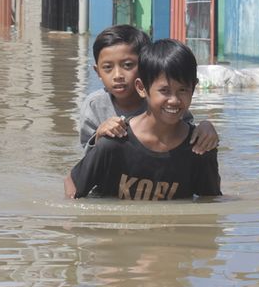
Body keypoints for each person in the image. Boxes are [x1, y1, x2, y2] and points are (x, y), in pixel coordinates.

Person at [65, 38, 222, 200]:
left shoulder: (200, 148)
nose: (174, 100)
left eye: (183, 90)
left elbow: (210, 201)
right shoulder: (114, 143)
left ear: (194, 88)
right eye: (164, 90)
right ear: (141, 88)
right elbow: (72, 185)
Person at [78, 24, 218, 155]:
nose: (118, 76)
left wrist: (205, 127)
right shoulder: (94, 105)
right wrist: (99, 137)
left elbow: (186, 131)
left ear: (147, 65)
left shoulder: (164, 100)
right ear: (98, 72)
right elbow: (86, 159)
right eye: (108, 67)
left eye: (127, 65)